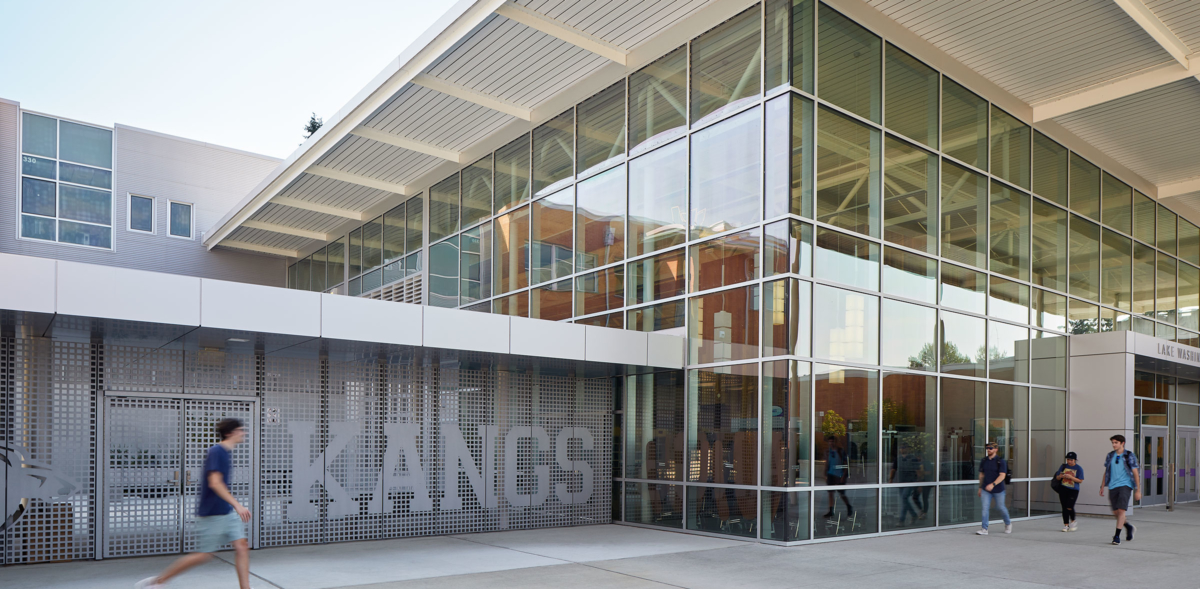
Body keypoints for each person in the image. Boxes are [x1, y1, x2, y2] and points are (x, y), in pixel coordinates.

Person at [137, 418, 252, 589]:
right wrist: (237, 504)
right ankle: (158, 582)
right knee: (203, 555)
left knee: (242, 547)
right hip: (212, 513)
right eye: (241, 430)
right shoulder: (217, 451)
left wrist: (232, 506)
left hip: (225, 512)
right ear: (230, 433)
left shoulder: (226, 452)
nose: (244, 433)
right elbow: (215, 482)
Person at [1100, 434, 1141, 546]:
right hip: (1113, 486)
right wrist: (1102, 485)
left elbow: (1135, 473)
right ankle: (1128, 526)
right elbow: (1107, 471)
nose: (1113, 445)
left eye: (1116, 442)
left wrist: (1138, 489)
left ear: (1122, 443)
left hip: (1125, 485)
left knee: (1121, 510)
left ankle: (1117, 536)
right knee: (1116, 512)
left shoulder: (1129, 455)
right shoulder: (1110, 455)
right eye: (1112, 442)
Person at [976, 442, 1011, 535]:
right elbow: (981, 475)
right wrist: (980, 487)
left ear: (996, 449)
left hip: (998, 489)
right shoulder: (984, 461)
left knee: (1001, 507)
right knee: (985, 508)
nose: (988, 450)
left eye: (990, 448)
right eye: (987, 448)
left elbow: (1002, 475)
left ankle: (1008, 523)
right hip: (985, 489)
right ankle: (984, 529)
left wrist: (993, 484)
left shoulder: (1000, 461)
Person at [823, 435, 854, 519]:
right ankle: (831, 510)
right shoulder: (828, 451)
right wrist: (825, 473)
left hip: (839, 474)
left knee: (841, 493)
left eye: (832, 441)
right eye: (829, 442)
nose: (831, 443)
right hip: (831, 474)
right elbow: (827, 462)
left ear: (835, 442)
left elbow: (845, 463)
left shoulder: (840, 451)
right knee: (830, 493)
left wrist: (843, 475)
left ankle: (848, 506)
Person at [1054, 451, 1084, 532]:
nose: (1069, 462)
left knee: (1069, 506)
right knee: (1064, 507)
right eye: (1068, 460)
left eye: (1071, 460)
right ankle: (1066, 525)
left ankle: (1073, 521)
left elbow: (1080, 480)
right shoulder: (1063, 466)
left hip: (1073, 489)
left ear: (1075, 460)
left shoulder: (1078, 468)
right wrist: (1060, 476)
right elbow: (1057, 477)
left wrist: (1071, 477)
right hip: (1063, 488)